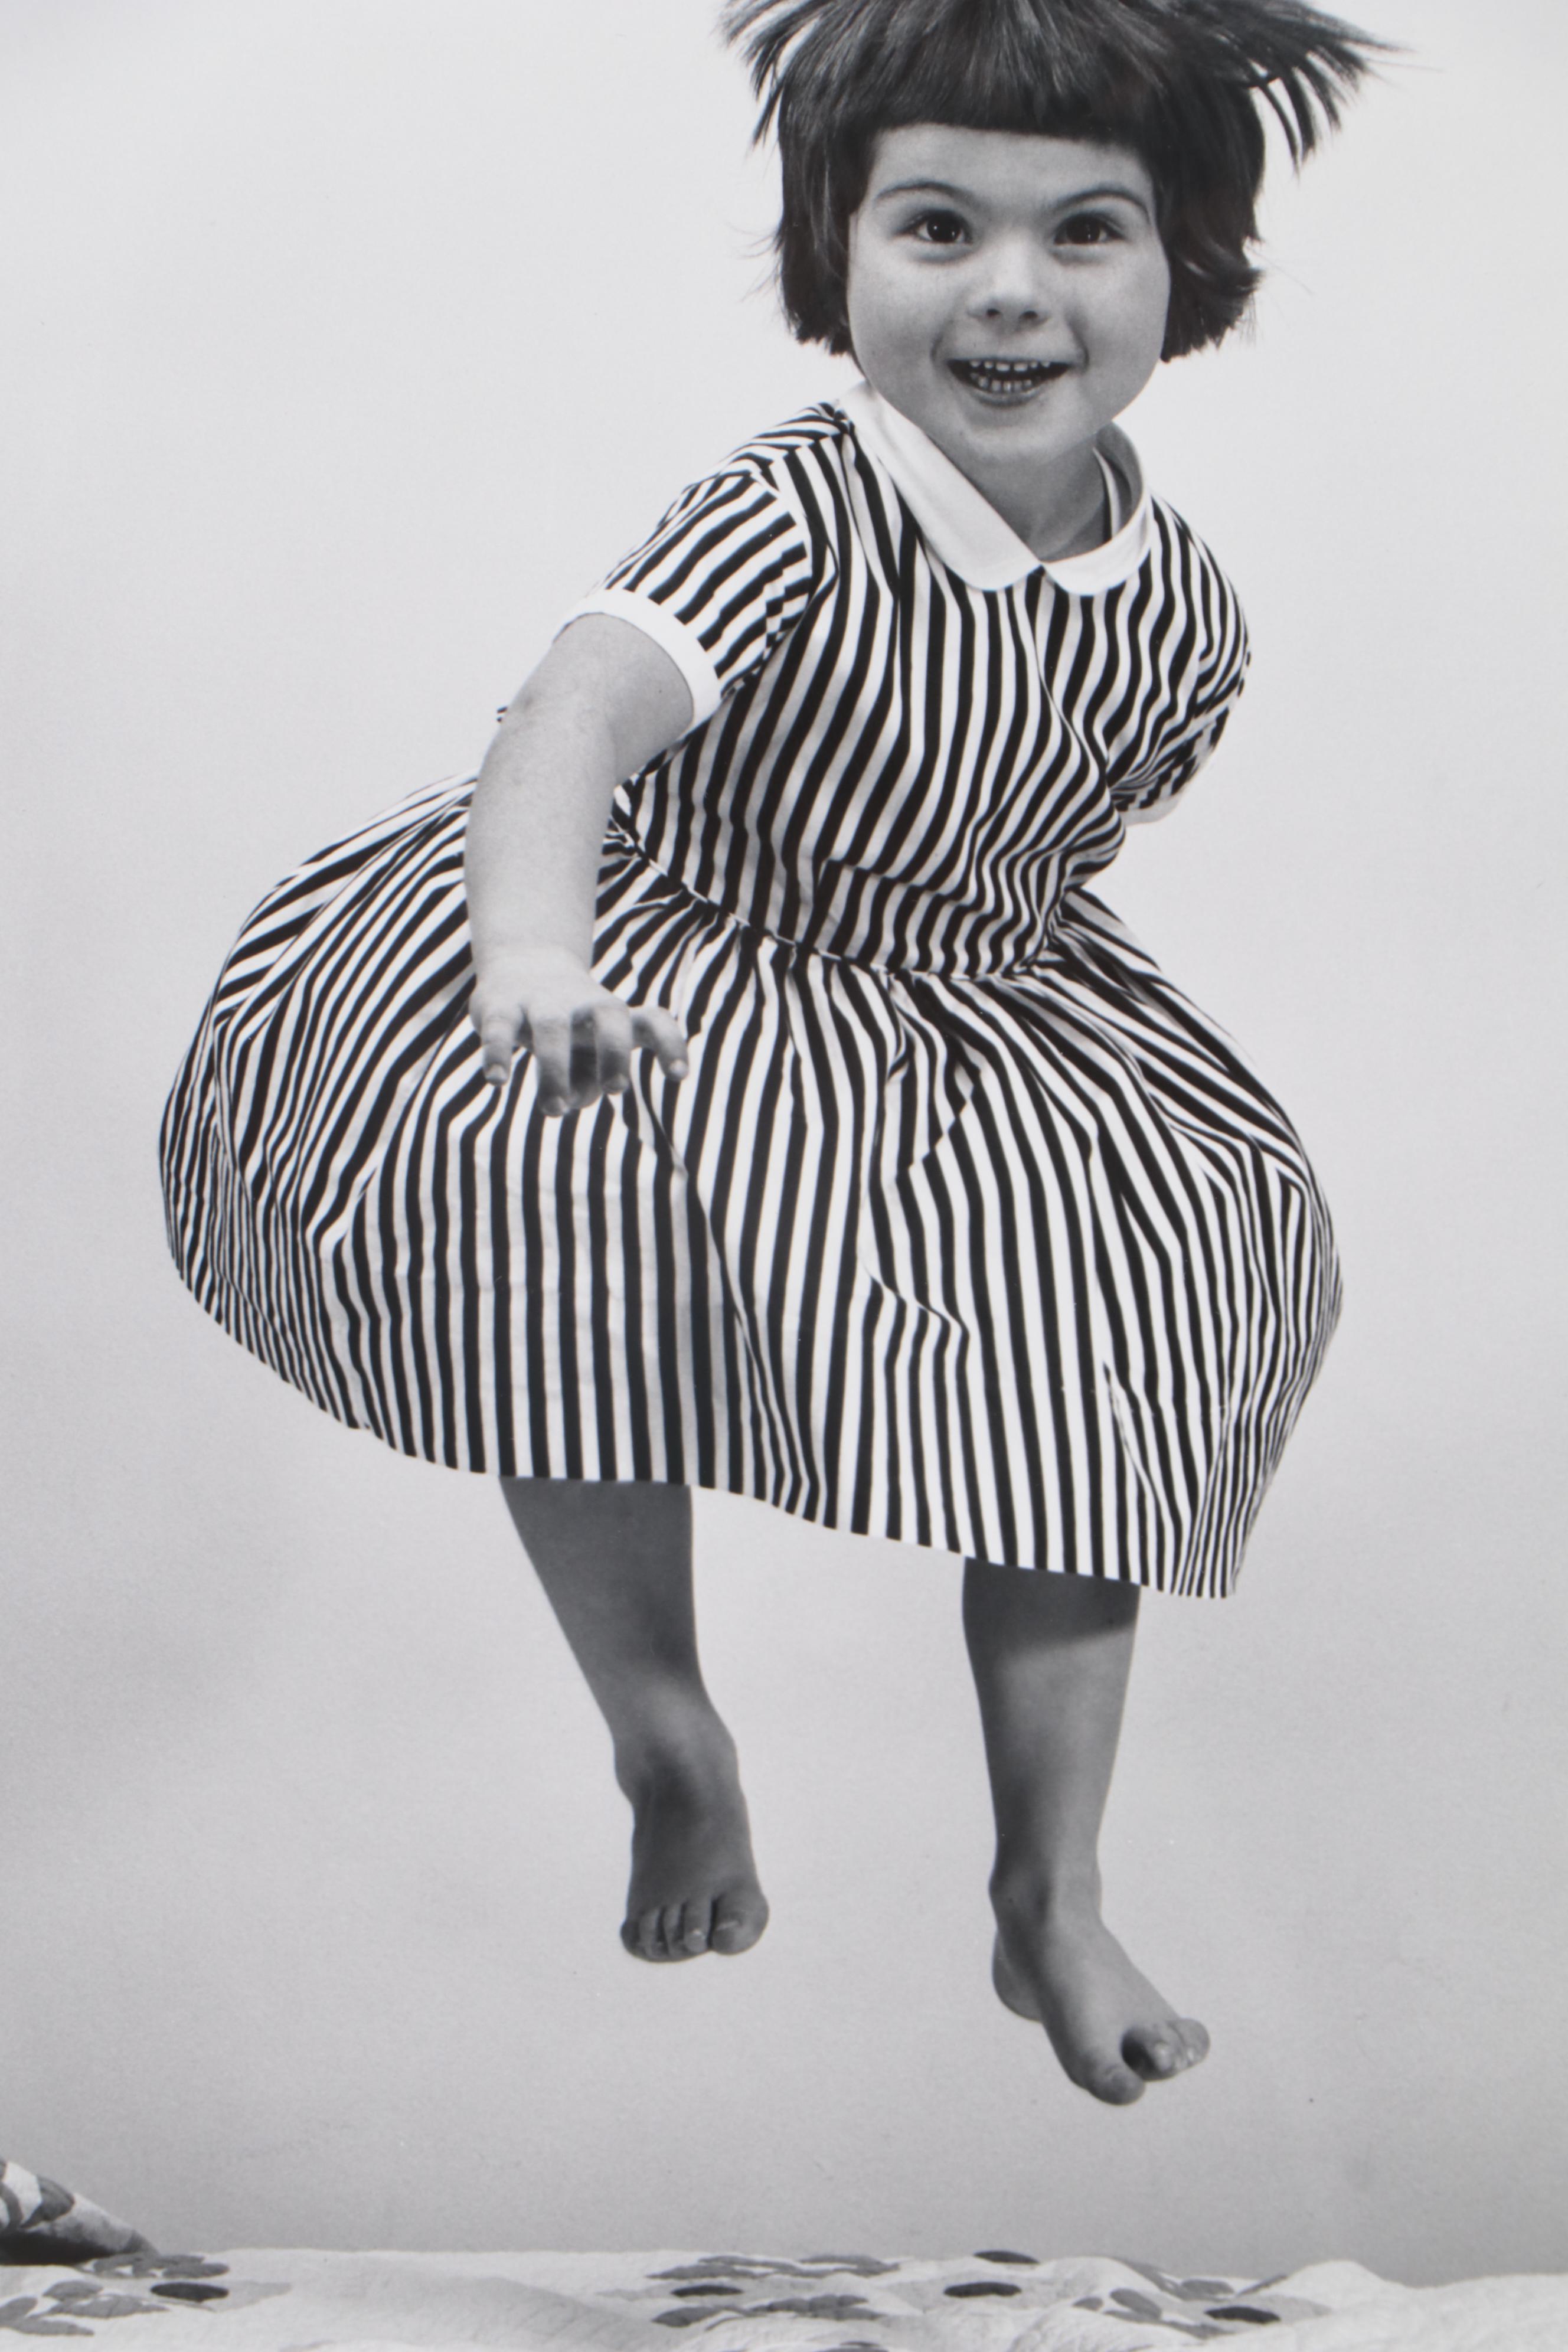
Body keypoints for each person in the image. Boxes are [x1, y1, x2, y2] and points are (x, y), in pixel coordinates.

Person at [162, 0, 1380, 2105]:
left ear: (1191, 271)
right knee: (556, 1195)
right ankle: (665, 1726)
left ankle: (1049, 1890)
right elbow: (571, 717)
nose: (1009, 289)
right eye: (936, 228)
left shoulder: (1184, 608)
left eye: (1087, 233)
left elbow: (1035, 846)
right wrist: (532, 948)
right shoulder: (792, 508)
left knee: (1160, 1273)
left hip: (959, 994)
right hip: (670, 945)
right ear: (841, 261)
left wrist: (1007, 1118)